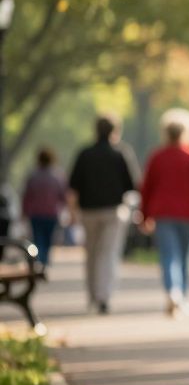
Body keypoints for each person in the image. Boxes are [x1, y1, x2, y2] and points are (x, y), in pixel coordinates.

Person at [139, 108, 189, 317]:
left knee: (168, 255)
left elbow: (146, 187)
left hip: (163, 214)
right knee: (185, 257)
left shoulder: (157, 156)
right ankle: (181, 296)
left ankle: (172, 291)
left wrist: (144, 215)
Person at [67, 116, 140, 314]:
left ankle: (92, 295)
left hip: (88, 212)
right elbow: (132, 185)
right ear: (115, 131)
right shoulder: (121, 153)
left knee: (91, 254)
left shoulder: (85, 154)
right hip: (113, 211)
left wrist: (72, 212)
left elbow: (73, 187)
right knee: (108, 253)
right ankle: (103, 296)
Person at [21, 147, 66, 268]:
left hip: (36, 214)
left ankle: (39, 261)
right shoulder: (57, 176)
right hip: (51, 214)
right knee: (48, 239)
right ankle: (44, 261)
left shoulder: (33, 176)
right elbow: (63, 196)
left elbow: (26, 196)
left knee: (37, 238)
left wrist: (24, 212)